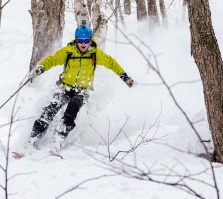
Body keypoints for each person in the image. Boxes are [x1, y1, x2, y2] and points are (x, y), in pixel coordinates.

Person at [12, 24, 134, 159]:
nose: (83, 44)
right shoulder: (68, 51)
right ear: (76, 40)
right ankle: (30, 142)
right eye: (80, 40)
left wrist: (124, 76)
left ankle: (56, 143)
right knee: (50, 110)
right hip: (65, 87)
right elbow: (52, 60)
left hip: (83, 90)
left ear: (90, 40)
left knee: (72, 109)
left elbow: (111, 63)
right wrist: (40, 68)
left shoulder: (95, 54)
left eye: (86, 41)